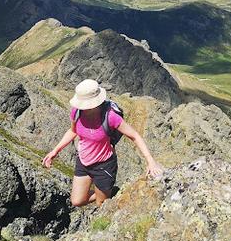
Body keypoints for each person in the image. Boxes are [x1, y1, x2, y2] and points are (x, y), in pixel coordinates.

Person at [42, 79, 164, 207]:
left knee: (102, 203)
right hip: (83, 161)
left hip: (104, 165)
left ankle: (106, 193)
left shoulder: (110, 117)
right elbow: (73, 131)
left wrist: (150, 161)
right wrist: (55, 151)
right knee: (77, 201)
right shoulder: (76, 112)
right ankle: (105, 192)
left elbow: (134, 136)